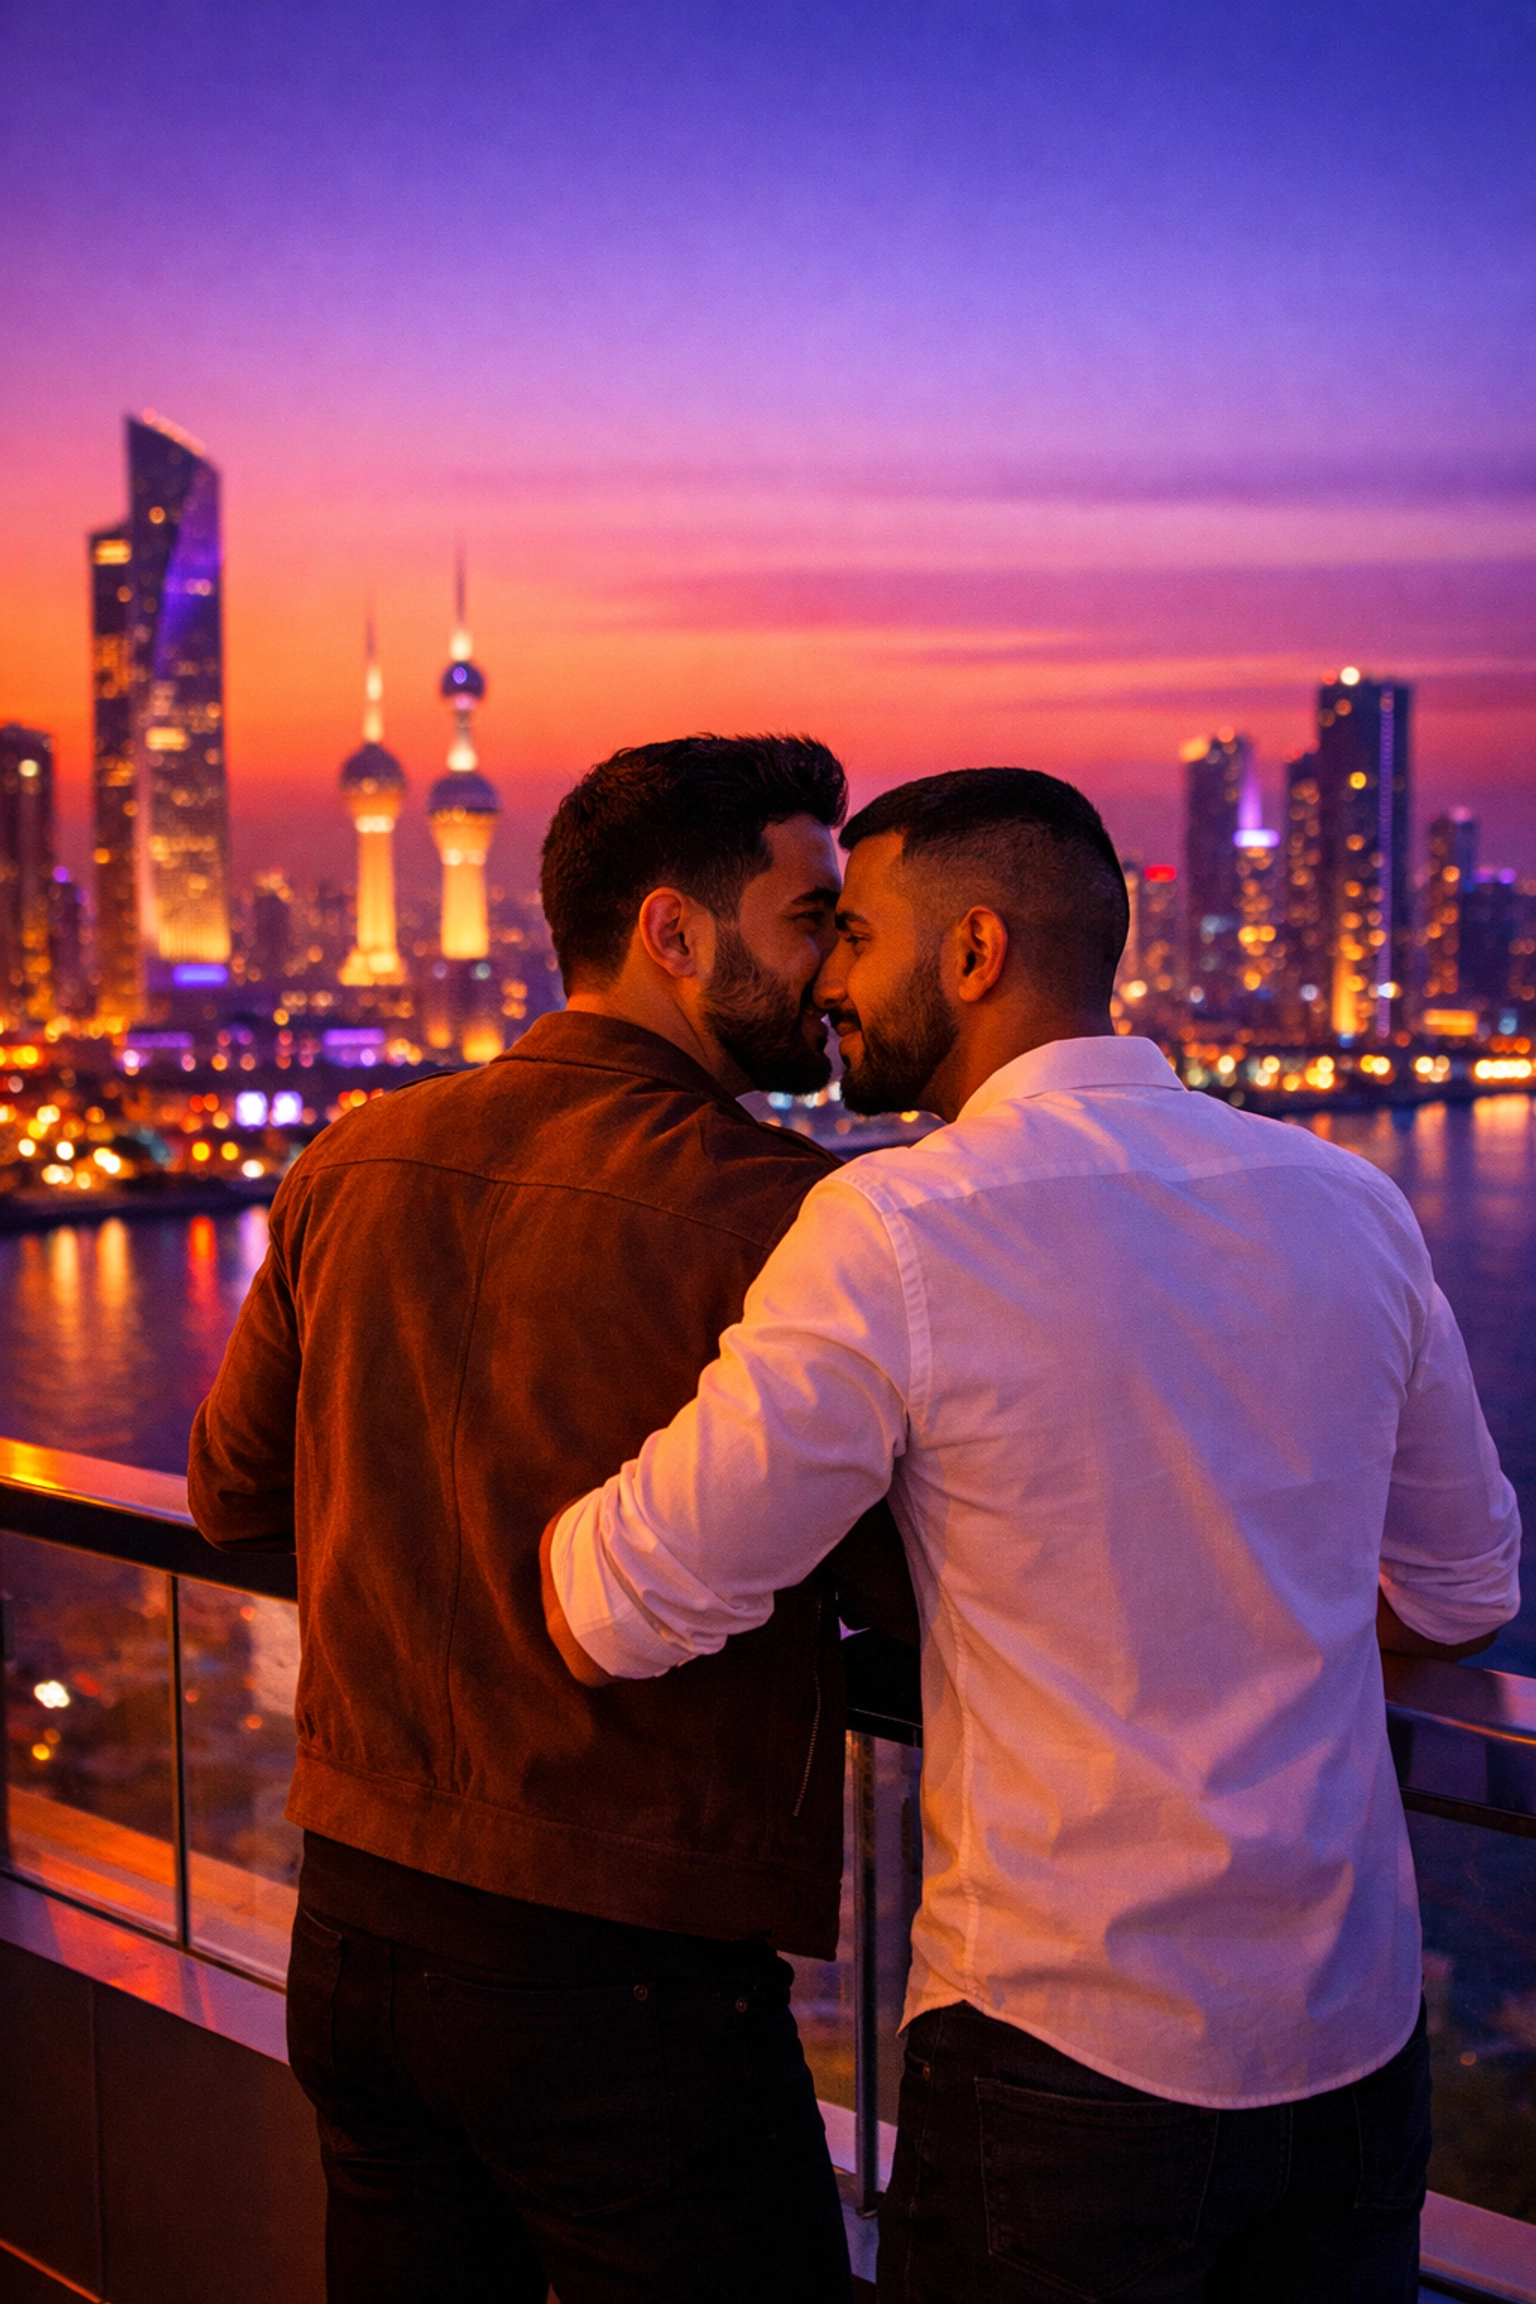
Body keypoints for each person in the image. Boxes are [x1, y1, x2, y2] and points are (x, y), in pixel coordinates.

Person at [544, 766, 1523, 2304]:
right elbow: (1466, 1591)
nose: (827, 985)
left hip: (1066, 2057)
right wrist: (1269, 1603)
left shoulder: (898, 1229)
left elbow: (626, 1602)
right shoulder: (1349, 1202)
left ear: (975, 953)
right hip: (1350, 2041)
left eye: (853, 936)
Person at [189, 734, 913, 2304]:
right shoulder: (778, 1214)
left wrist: (412, 1539)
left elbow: (232, 1497)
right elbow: (910, 1580)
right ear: (673, 931)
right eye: (810, 917)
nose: (833, 970)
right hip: (625, 1965)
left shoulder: (354, 1158)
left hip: (358, 1925)